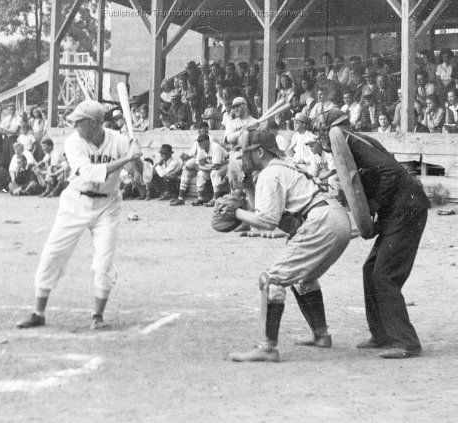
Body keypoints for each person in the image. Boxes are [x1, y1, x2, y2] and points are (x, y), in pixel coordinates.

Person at [16, 100, 143, 330]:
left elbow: (144, 176)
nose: (75, 126)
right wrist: (126, 158)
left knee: (104, 262)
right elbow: (92, 173)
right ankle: (38, 313)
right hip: (76, 201)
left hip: (108, 205)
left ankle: (98, 316)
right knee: (53, 252)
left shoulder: (120, 141)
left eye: (79, 122)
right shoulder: (74, 142)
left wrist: (137, 158)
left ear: (93, 123)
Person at [228, 130, 351, 362]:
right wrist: (247, 188)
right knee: (303, 278)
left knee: (272, 280)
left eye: (246, 153)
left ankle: (267, 348)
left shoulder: (270, 174)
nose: (242, 158)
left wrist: (236, 212)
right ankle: (321, 335)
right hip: (337, 218)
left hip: (320, 221)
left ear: (260, 152)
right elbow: (265, 210)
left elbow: (267, 221)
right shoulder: (285, 166)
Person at [321, 110, 430, 359]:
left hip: (406, 209)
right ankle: (381, 335)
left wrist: (374, 205)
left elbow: (390, 173)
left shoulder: (354, 143)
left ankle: (406, 342)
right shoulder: (356, 143)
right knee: (370, 270)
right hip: (399, 209)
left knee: (384, 275)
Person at [170, 133, 228, 207]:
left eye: (202, 141)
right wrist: (206, 167)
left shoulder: (215, 147)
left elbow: (216, 166)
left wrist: (204, 166)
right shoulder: (201, 148)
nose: (200, 143)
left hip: (225, 165)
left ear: (207, 141)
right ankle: (201, 198)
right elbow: (198, 165)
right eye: (199, 142)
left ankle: (215, 200)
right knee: (200, 173)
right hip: (211, 166)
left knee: (214, 173)